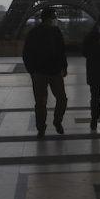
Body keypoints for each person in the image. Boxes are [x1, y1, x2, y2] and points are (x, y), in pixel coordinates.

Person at [22, 8, 69, 138]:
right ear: (48, 18)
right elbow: (27, 53)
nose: (55, 19)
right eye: (54, 17)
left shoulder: (52, 31)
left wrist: (63, 66)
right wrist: (32, 71)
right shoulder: (37, 33)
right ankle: (46, 126)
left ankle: (50, 124)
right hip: (42, 72)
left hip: (49, 72)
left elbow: (61, 51)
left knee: (49, 101)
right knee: (49, 101)